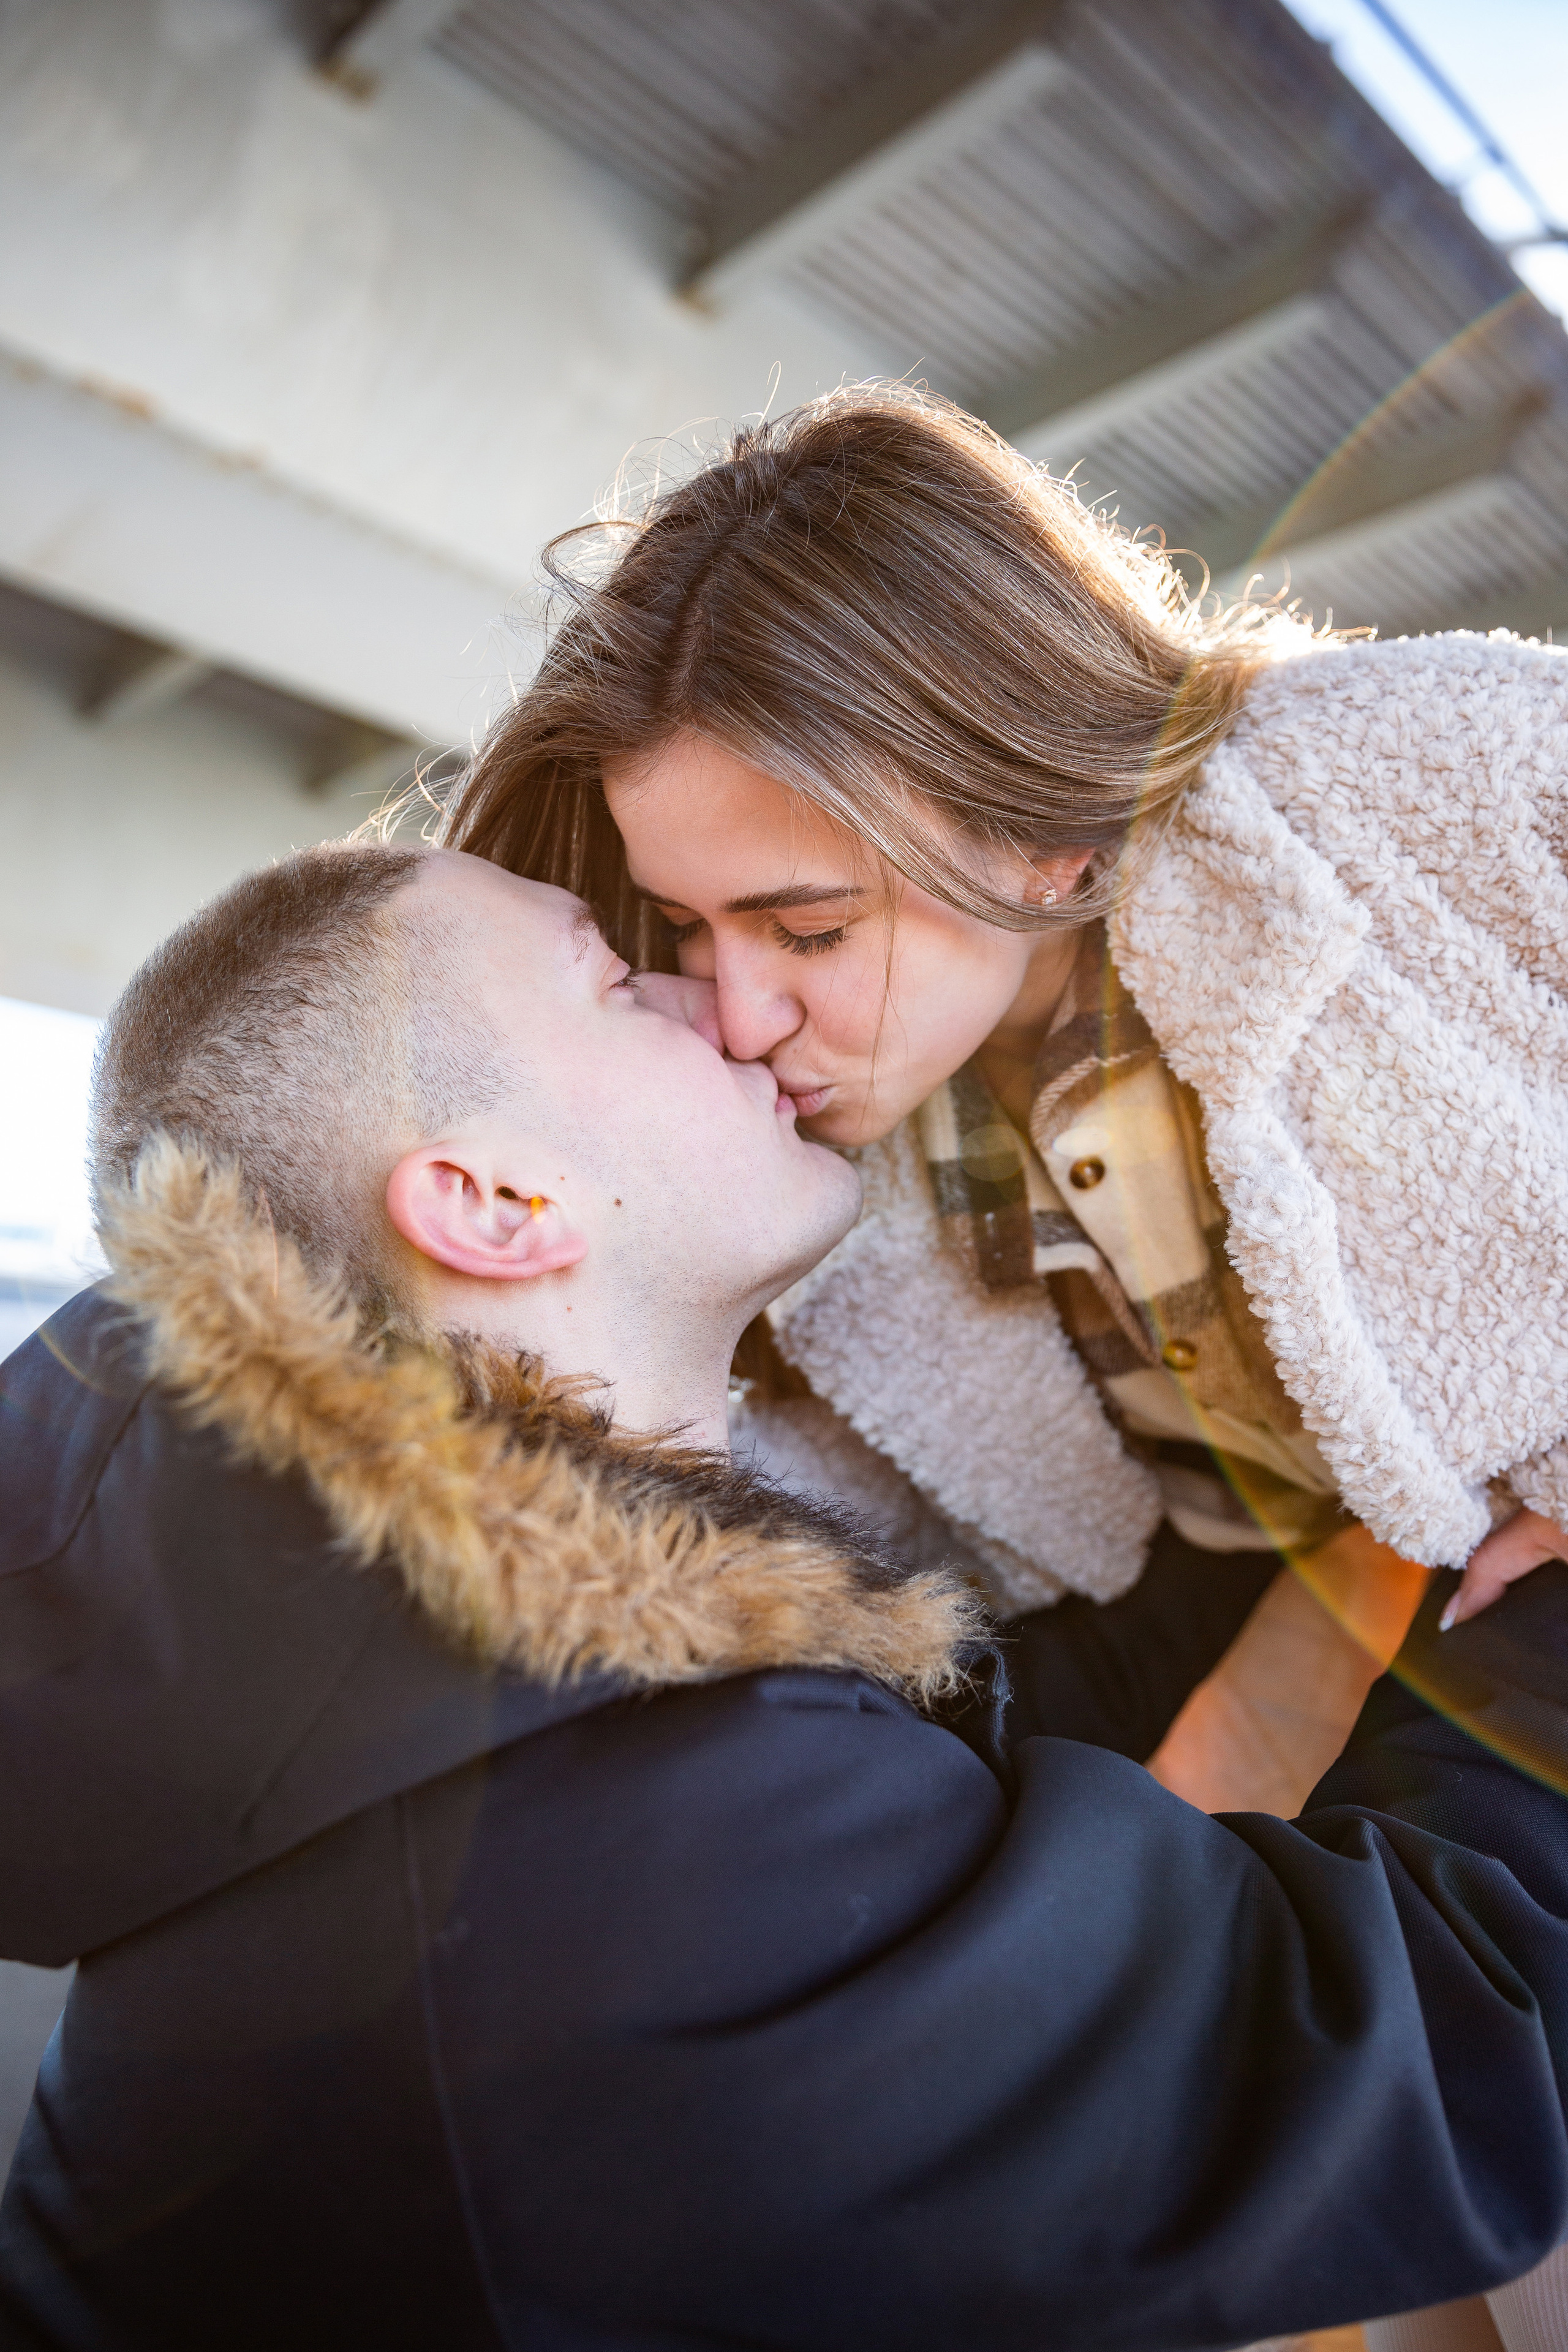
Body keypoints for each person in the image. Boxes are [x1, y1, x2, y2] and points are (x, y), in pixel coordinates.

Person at [1, 839, 1566, 2352]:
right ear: (489, 1203)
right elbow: (1422, 2047)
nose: (728, 1009)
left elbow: (961, 1802)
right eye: (618, 980)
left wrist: (1275, 1432)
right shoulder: (615, 1871)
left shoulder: (388, 1711)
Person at [443, 384, 1568, 1787]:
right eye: (684, 924)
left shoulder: (1413, 770)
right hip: (1212, 1563)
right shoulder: (812, 1149)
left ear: (1040, 823)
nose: (737, 1013)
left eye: (807, 930)